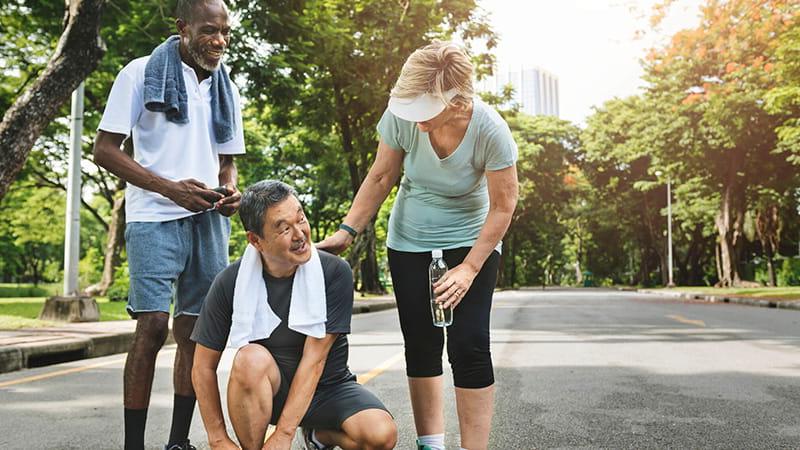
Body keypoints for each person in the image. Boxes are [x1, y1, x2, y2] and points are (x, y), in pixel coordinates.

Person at [318, 41, 519, 450]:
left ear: (457, 99)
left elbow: (504, 205)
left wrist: (469, 269)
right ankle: (431, 444)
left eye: (425, 112)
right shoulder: (402, 115)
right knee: (422, 342)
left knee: (470, 344)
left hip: (471, 240)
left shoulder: (490, 130)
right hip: (410, 239)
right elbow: (380, 176)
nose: (418, 123)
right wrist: (346, 232)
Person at [93, 1, 245, 448]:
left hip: (208, 220)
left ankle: (179, 441)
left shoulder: (224, 86)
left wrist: (230, 188)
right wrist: (169, 188)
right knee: (155, 324)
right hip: (154, 215)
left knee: (196, 332)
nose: (218, 40)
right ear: (183, 28)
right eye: (208, 31)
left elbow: (227, 157)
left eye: (224, 32)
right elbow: (105, 149)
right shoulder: (140, 72)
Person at [190, 180, 397, 450]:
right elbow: (202, 367)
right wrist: (218, 439)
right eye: (284, 228)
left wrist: (284, 434)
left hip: (328, 388)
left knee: (381, 436)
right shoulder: (230, 281)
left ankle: (319, 435)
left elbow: (314, 361)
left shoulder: (334, 272)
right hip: (270, 394)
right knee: (249, 359)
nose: (300, 234)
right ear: (256, 240)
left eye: (301, 219)